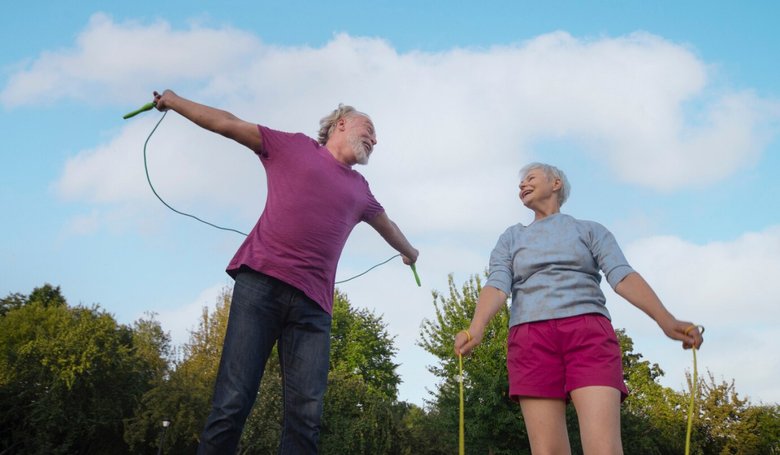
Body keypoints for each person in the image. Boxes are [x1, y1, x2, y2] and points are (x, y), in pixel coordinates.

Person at [152, 90, 419, 454]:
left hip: (313, 310)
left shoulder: (361, 190)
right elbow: (228, 124)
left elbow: (388, 227)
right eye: (369, 129)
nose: (375, 139)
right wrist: (173, 101)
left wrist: (409, 252)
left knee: (306, 418)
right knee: (232, 401)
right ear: (341, 123)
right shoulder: (292, 147)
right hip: (260, 286)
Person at [453, 162, 703, 454]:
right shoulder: (511, 237)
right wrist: (476, 328)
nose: (522, 185)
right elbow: (497, 285)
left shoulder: (590, 231)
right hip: (530, 339)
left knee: (604, 449)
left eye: (530, 178)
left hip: (588, 334)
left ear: (555, 183)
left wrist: (665, 319)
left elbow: (622, 276)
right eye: (520, 183)